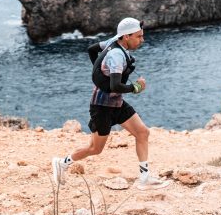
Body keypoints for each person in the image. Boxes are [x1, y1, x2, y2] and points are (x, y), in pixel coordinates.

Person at [52, 17, 170, 190]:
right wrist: (136, 87)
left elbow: (91, 49)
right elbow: (115, 85)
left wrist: (100, 71)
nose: (142, 40)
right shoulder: (116, 56)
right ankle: (61, 163)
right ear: (126, 36)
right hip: (101, 106)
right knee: (95, 148)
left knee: (142, 133)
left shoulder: (113, 41)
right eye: (139, 36)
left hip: (116, 103)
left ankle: (144, 178)